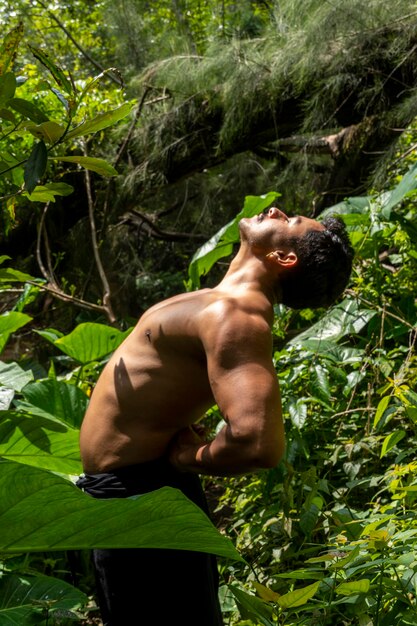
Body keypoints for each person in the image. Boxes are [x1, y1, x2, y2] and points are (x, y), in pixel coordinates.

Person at [77, 206, 353, 626]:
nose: (278, 210)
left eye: (291, 221)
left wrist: (189, 457)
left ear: (284, 259)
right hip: (128, 501)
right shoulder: (221, 304)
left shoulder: (237, 317)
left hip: (145, 506)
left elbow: (258, 441)